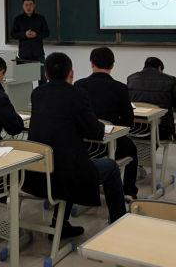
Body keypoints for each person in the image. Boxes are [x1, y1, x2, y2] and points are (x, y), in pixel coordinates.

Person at [23, 52, 126, 238]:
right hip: (65, 176)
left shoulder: (37, 94)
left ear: (45, 74)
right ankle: (119, 224)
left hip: (36, 173)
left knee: (67, 156)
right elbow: (95, 132)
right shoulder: (77, 94)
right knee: (110, 167)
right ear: (71, 73)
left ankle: (60, 223)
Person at [74, 47, 138, 199]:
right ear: (112, 65)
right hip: (110, 144)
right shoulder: (120, 88)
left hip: (82, 145)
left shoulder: (78, 85)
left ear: (92, 63)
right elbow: (128, 121)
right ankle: (128, 191)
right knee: (131, 148)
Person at [126, 57, 176, 141]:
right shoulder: (170, 80)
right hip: (161, 131)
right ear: (159, 68)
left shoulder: (131, 78)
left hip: (135, 128)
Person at [10, 0, 50, 85]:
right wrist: (24, 34)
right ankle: (26, 94)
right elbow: (13, 34)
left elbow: (47, 33)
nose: (28, 7)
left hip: (38, 53)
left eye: (30, 4)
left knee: (43, 77)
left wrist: (36, 34)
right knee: (24, 78)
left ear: (34, 6)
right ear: (23, 6)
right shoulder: (18, 19)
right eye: (26, 5)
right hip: (24, 53)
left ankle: (42, 94)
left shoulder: (41, 18)